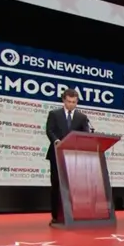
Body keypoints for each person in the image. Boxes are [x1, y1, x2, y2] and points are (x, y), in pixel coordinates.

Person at [45, 89, 89, 225]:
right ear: (64, 100)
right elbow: (49, 130)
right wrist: (56, 140)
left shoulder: (82, 117)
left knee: (73, 186)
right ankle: (56, 216)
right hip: (56, 155)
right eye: (69, 102)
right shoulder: (54, 114)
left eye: (74, 102)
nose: (71, 105)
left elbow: (85, 134)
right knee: (57, 185)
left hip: (74, 156)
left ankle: (72, 214)